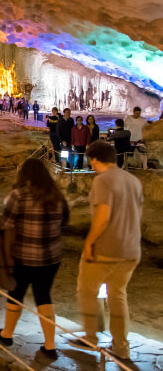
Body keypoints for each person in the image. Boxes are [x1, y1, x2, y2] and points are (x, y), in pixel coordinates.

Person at [68, 141, 143, 364]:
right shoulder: (133, 180)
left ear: (94, 159)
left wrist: (90, 243)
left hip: (107, 248)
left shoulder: (102, 181)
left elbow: (103, 215)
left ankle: (90, 336)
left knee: (86, 289)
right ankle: (121, 347)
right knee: (118, 295)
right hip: (131, 249)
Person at [0, 158, 69, 360]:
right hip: (51, 257)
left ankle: (7, 334)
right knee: (43, 295)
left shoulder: (18, 196)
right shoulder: (57, 196)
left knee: (16, 293)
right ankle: (50, 346)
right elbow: (64, 222)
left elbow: (6, 222)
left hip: (23, 256)